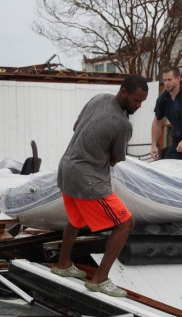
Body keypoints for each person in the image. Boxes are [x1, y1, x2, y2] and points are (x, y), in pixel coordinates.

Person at [51, 74, 149, 297]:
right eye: (136, 100)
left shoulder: (99, 98)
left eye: (142, 101)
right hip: (88, 179)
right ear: (123, 92)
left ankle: (63, 264)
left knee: (76, 219)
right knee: (126, 223)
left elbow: (76, 126)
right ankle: (99, 279)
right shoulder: (123, 125)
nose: (139, 105)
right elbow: (115, 159)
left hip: (66, 168)